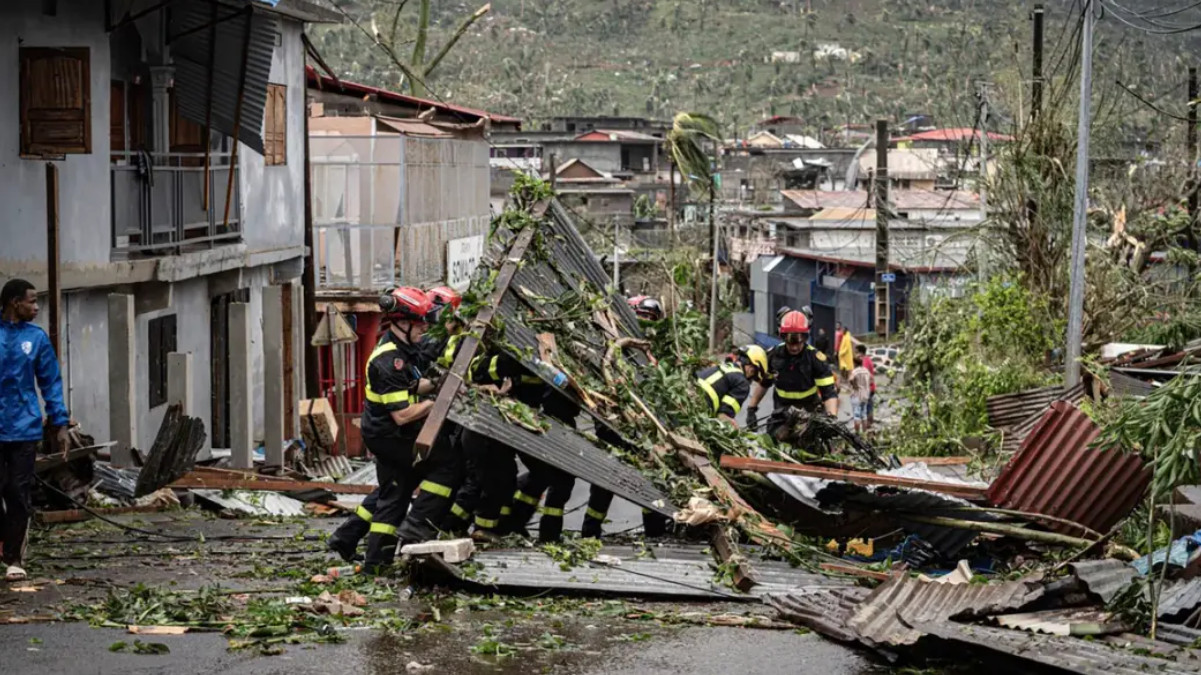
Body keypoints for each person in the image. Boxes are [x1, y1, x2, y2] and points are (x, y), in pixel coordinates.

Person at [328, 287, 459, 572]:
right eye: (421, 321)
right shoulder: (389, 360)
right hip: (389, 435)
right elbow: (402, 414)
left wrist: (440, 383)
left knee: (395, 493)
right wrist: (436, 401)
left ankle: (367, 555)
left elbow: (411, 386)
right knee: (448, 464)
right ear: (402, 322)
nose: (426, 326)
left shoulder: (402, 350)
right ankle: (414, 530)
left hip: (387, 433)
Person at [1, 279, 70, 582]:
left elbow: (50, 383)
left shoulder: (37, 339)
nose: (36, 306)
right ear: (15, 303)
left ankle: (13, 558)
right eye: (32, 301)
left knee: (17, 492)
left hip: (25, 429)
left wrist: (60, 423)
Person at [746, 311, 838, 437]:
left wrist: (832, 418)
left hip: (810, 412)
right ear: (783, 337)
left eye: (798, 343)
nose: (794, 348)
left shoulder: (815, 359)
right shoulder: (773, 356)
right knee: (777, 440)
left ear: (805, 338)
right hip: (782, 413)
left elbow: (828, 393)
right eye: (790, 343)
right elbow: (764, 384)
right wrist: (751, 409)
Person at [697, 345, 769, 429]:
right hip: (701, 408)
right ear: (751, 369)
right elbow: (723, 416)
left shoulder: (724, 366)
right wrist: (735, 429)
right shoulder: (743, 383)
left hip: (689, 394)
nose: (751, 380)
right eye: (754, 376)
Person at [848, 355, 872, 433]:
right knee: (864, 414)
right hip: (865, 395)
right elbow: (871, 380)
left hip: (857, 394)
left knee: (857, 415)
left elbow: (851, 379)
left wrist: (854, 385)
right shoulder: (866, 370)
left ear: (855, 363)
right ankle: (864, 433)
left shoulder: (855, 371)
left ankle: (857, 434)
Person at [856, 344, 877, 429]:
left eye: (856, 352)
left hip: (867, 388)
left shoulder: (864, 362)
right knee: (870, 407)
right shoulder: (868, 359)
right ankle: (870, 427)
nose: (855, 354)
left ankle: (867, 427)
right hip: (871, 388)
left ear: (860, 353)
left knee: (865, 409)